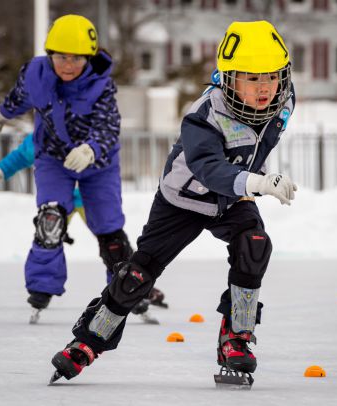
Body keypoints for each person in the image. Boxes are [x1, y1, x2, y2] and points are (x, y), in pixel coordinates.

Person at [49, 20, 297, 385]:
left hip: (231, 198)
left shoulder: (284, 100)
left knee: (254, 246)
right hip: (183, 199)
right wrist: (258, 182)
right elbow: (209, 169)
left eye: (271, 78)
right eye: (252, 78)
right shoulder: (203, 116)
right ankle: (87, 341)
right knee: (136, 277)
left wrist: (249, 181)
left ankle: (237, 338)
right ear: (228, 78)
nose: (265, 89)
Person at [0, 15, 165, 320]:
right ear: (50, 54)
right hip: (53, 159)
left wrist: (91, 148)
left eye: (77, 58)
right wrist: (3, 113)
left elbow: (108, 126)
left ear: (88, 57)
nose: (68, 65)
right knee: (50, 219)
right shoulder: (36, 73)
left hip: (99, 164)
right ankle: (42, 285)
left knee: (109, 230)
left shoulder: (101, 84)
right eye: (61, 57)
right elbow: (21, 96)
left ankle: (127, 288)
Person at [0, 133, 167, 314]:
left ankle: (130, 286)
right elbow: (21, 156)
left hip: (92, 199)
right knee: (48, 230)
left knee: (114, 242)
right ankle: (42, 285)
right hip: (59, 201)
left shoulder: (95, 132)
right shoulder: (43, 135)